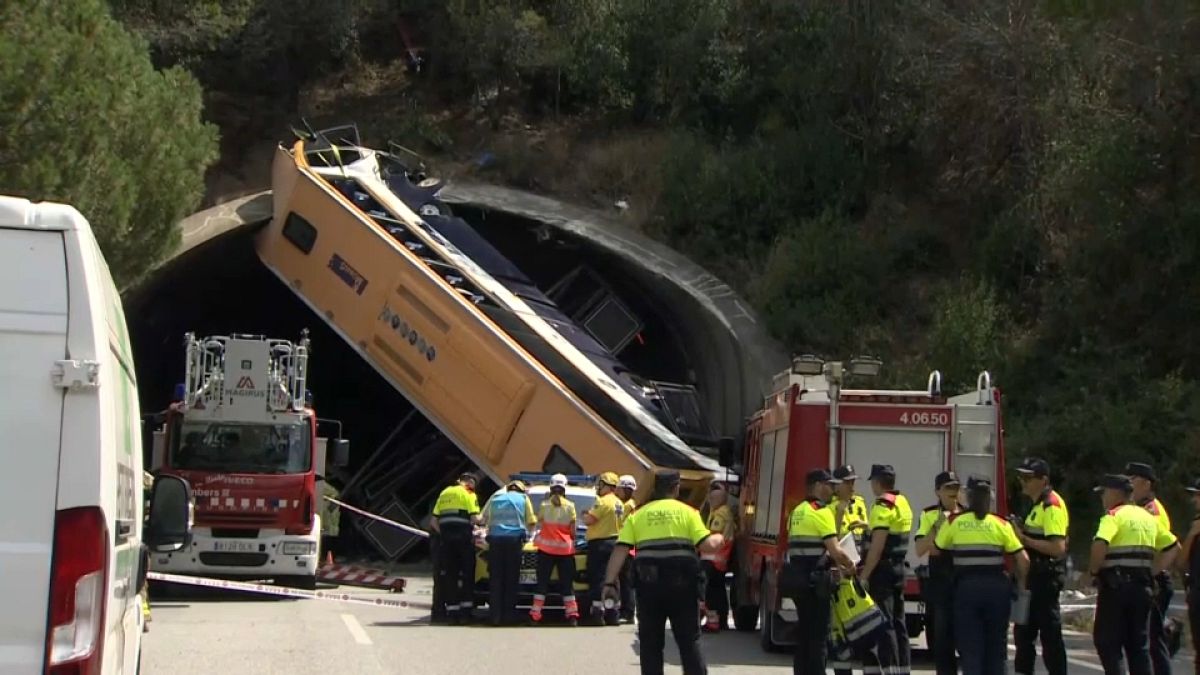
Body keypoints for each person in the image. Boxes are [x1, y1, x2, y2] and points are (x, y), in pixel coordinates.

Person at [600, 469, 725, 675]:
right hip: (682, 588)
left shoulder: (638, 515)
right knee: (688, 642)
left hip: (649, 588)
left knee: (650, 645)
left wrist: (609, 583)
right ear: (676, 488)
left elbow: (620, 549)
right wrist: (719, 537)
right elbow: (707, 545)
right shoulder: (688, 512)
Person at [934, 476, 1029, 675]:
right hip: (997, 591)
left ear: (968, 496)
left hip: (966, 591)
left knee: (971, 649)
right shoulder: (1001, 524)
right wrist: (1020, 586)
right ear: (989, 498)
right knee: (997, 649)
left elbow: (937, 549)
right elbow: (1024, 561)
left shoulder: (955, 522)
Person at [1088, 473, 1179, 675]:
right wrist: (1153, 571)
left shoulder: (1113, 516)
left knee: (1107, 642)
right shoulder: (1147, 517)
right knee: (1139, 645)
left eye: (1103, 493)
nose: (1102, 498)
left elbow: (1100, 543)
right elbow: (1173, 547)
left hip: (1115, 589)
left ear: (1114, 493)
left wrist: (1094, 571)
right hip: (1142, 588)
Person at [785, 469, 856, 675]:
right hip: (817, 584)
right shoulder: (822, 511)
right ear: (817, 486)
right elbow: (835, 550)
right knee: (818, 638)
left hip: (797, 581)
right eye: (829, 485)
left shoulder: (797, 511)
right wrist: (850, 564)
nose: (833, 489)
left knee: (804, 636)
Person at [1011, 457, 1069, 675]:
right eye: (1021, 477)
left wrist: (1023, 539)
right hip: (1032, 579)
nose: (1022, 482)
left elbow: (1057, 547)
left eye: (1028, 477)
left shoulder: (1051, 506)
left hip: (1045, 579)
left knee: (1050, 636)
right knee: (1024, 635)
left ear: (1043, 480)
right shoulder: (1036, 505)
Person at [860, 463, 913, 675]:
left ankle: (889, 670)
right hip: (900, 568)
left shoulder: (882, 506)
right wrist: (867, 527)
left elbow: (878, 546)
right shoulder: (902, 502)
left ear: (877, 483)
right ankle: (903, 670)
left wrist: (865, 575)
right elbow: (893, 533)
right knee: (900, 624)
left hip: (883, 571)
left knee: (885, 624)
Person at [1127, 461, 1174, 675]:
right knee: (1148, 639)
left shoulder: (1152, 511)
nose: (1128, 485)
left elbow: (1165, 549)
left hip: (1155, 581)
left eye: (1132, 480)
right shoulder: (1139, 509)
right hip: (1146, 580)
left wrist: (1151, 575)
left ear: (1146, 484)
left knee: (1154, 641)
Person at [914, 470, 962, 675]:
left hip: (962, 583)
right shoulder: (929, 514)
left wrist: (938, 545)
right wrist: (938, 526)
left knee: (965, 638)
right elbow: (921, 549)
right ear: (937, 491)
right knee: (941, 642)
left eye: (956, 487)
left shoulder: (967, 515)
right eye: (948, 488)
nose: (953, 492)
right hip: (940, 585)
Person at [480, 479, 536, 626]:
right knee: (511, 579)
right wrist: (530, 536)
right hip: (513, 541)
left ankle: (494, 617)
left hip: (495, 541)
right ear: (521, 490)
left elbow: (483, 519)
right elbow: (531, 522)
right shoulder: (523, 499)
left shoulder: (496, 498)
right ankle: (509, 616)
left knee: (496, 579)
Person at [430, 472, 482, 624]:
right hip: (463, 539)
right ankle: (466, 613)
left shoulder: (445, 493)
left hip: (446, 541)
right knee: (467, 574)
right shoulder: (469, 493)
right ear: (470, 483)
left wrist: (446, 534)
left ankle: (452, 613)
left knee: (450, 575)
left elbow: (434, 522)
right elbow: (474, 518)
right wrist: (484, 519)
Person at [530, 473, 581, 626]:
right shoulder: (570, 506)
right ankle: (572, 615)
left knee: (542, 584)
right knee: (567, 585)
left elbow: (538, 523)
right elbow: (573, 531)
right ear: (564, 488)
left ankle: (535, 614)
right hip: (565, 551)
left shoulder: (544, 505)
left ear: (551, 488)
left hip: (546, 551)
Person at [584, 471, 624, 625]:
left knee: (598, 577)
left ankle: (597, 614)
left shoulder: (602, 502)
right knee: (613, 578)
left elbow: (590, 520)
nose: (599, 487)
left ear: (606, 485)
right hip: (615, 542)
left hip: (600, 544)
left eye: (601, 484)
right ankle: (612, 612)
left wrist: (584, 515)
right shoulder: (618, 503)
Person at [701, 480, 736, 632]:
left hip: (713, 558)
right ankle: (721, 622)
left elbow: (714, 536)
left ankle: (713, 623)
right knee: (719, 591)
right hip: (720, 559)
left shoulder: (719, 514)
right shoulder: (723, 512)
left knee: (710, 592)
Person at [1176, 478, 1200, 674]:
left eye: (1198, 495)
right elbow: (1181, 562)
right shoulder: (1196, 525)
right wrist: (1192, 535)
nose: (1195, 500)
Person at [617, 474, 639, 623]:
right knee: (626, 581)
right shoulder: (633, 504)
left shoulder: (627, 506)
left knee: (626, 581)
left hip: (627, 548)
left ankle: (628, 611)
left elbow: (620, 525)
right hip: (630, 547)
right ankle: (627, 610)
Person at [830, 464, 870, 543]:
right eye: (847, 483)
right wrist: (839, 514)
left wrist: (866, 526)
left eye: (853, 482)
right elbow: (831, 539)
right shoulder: (829, 506)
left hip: (860, 550)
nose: (851, 486)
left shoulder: (859, 502)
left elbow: (869, 533)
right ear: (837, 485)